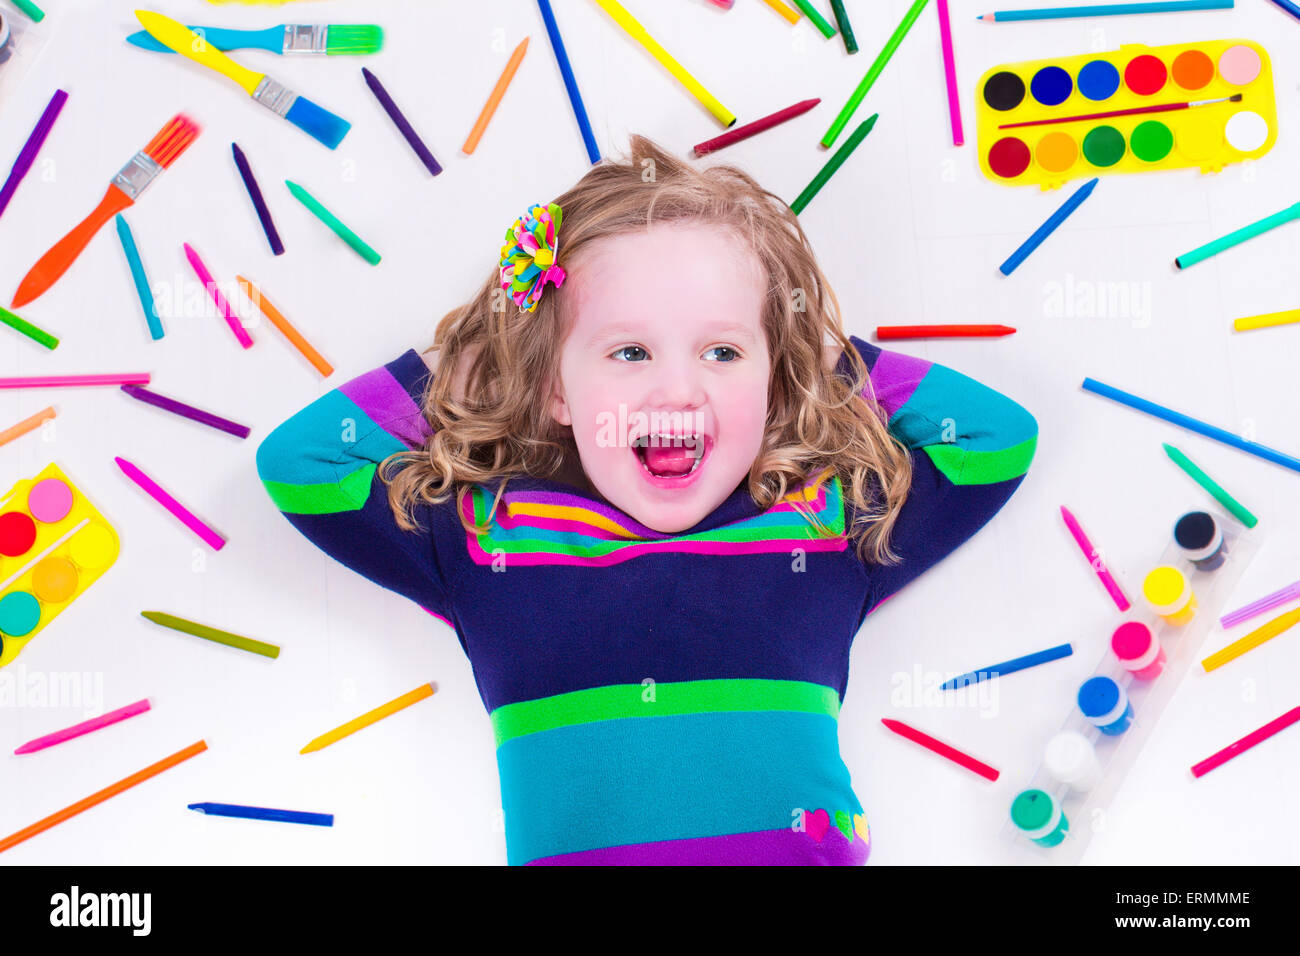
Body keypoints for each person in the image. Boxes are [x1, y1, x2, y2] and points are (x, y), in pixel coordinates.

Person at [255, 134, 1039, 865]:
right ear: (558, 389)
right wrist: (476, 358)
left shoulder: (819, 524)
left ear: (770, 385)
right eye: (629, 350)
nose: (678, 387)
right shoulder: (489, 538)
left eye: (723, 350)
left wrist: (822, 362)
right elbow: (305, 464)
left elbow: (992, 439)